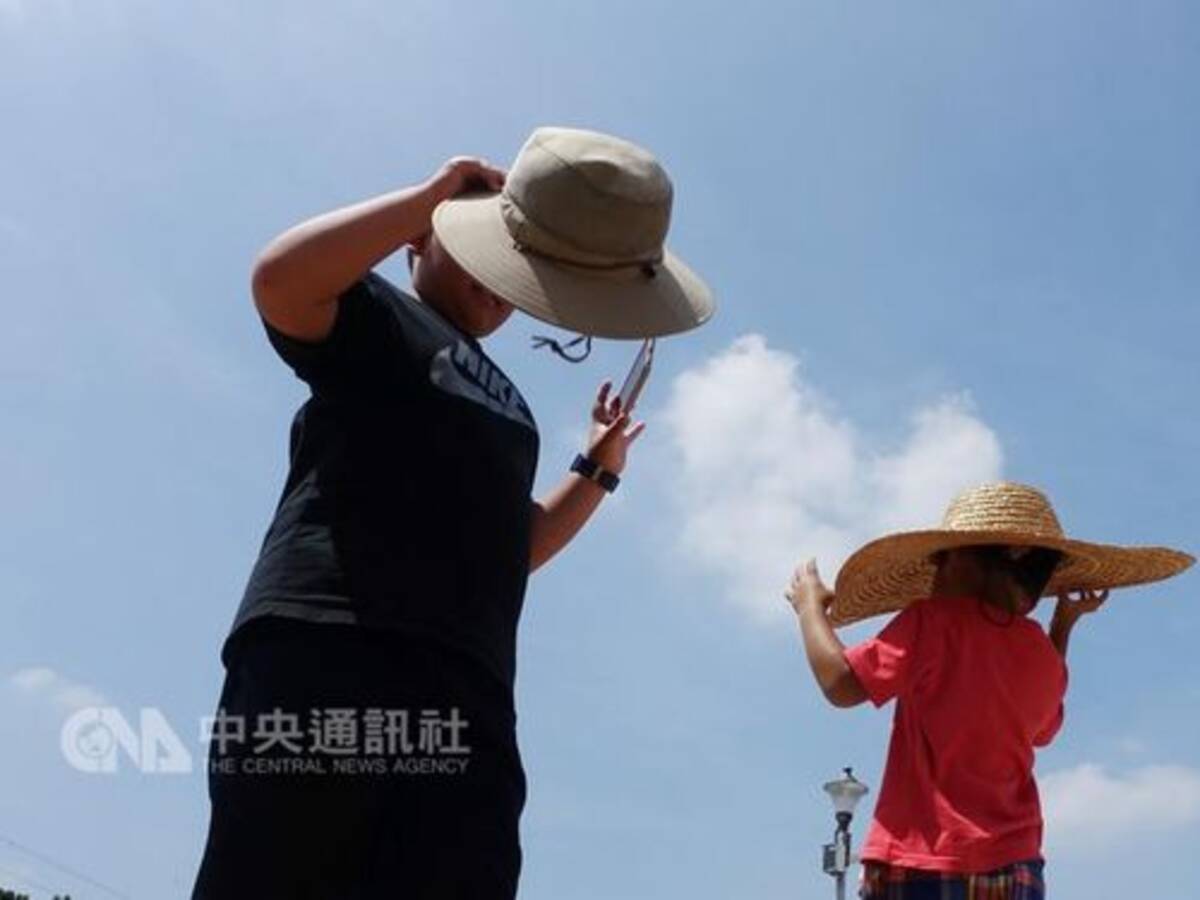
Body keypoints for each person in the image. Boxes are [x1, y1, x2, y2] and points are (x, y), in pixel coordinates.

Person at [191, 127, 713, 899]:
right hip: (331, 645)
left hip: (469, 689)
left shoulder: (516, 407)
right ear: (419, 242)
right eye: (488, 257)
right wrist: (428, 199)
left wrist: (597, 469)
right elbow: (280, 280)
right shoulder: (375, 313)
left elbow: (514, 546)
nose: (499, 288)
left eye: (519, 278)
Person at [786, 481, 1193, 900]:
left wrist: (809, 608)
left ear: (992, 559)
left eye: (945, 558)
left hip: (922, 860)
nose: (936, 572)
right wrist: (1062, 627)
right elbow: (1043, 730)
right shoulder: (1039, 651)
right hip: (1016, 868)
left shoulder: (933, 622)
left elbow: (841, 683)